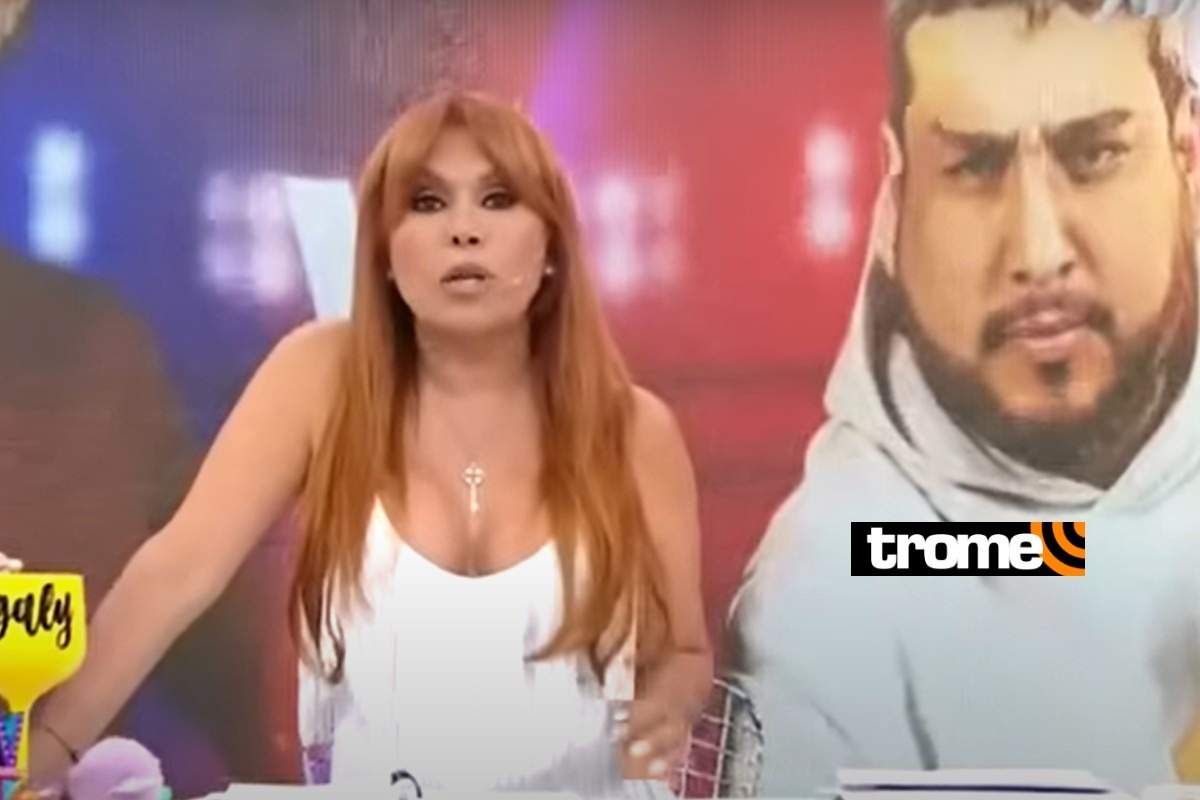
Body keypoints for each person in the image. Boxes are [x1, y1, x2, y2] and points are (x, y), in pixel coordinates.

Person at [15, 90, 713, 794]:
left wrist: (667, 708)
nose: (463, 230)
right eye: (428, 203)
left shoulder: (635, 432)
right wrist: (44, 753)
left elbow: (684, 652)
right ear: (383, 252)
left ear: (553, 246)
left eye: (498, 200)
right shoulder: (321, 378)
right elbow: (175, 574)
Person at [723, 0, 1200, 795]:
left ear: (1189, 154)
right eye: (976, 166)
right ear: (897, 191)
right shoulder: (833, 580)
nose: (1039, 252)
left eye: (1095, 154)